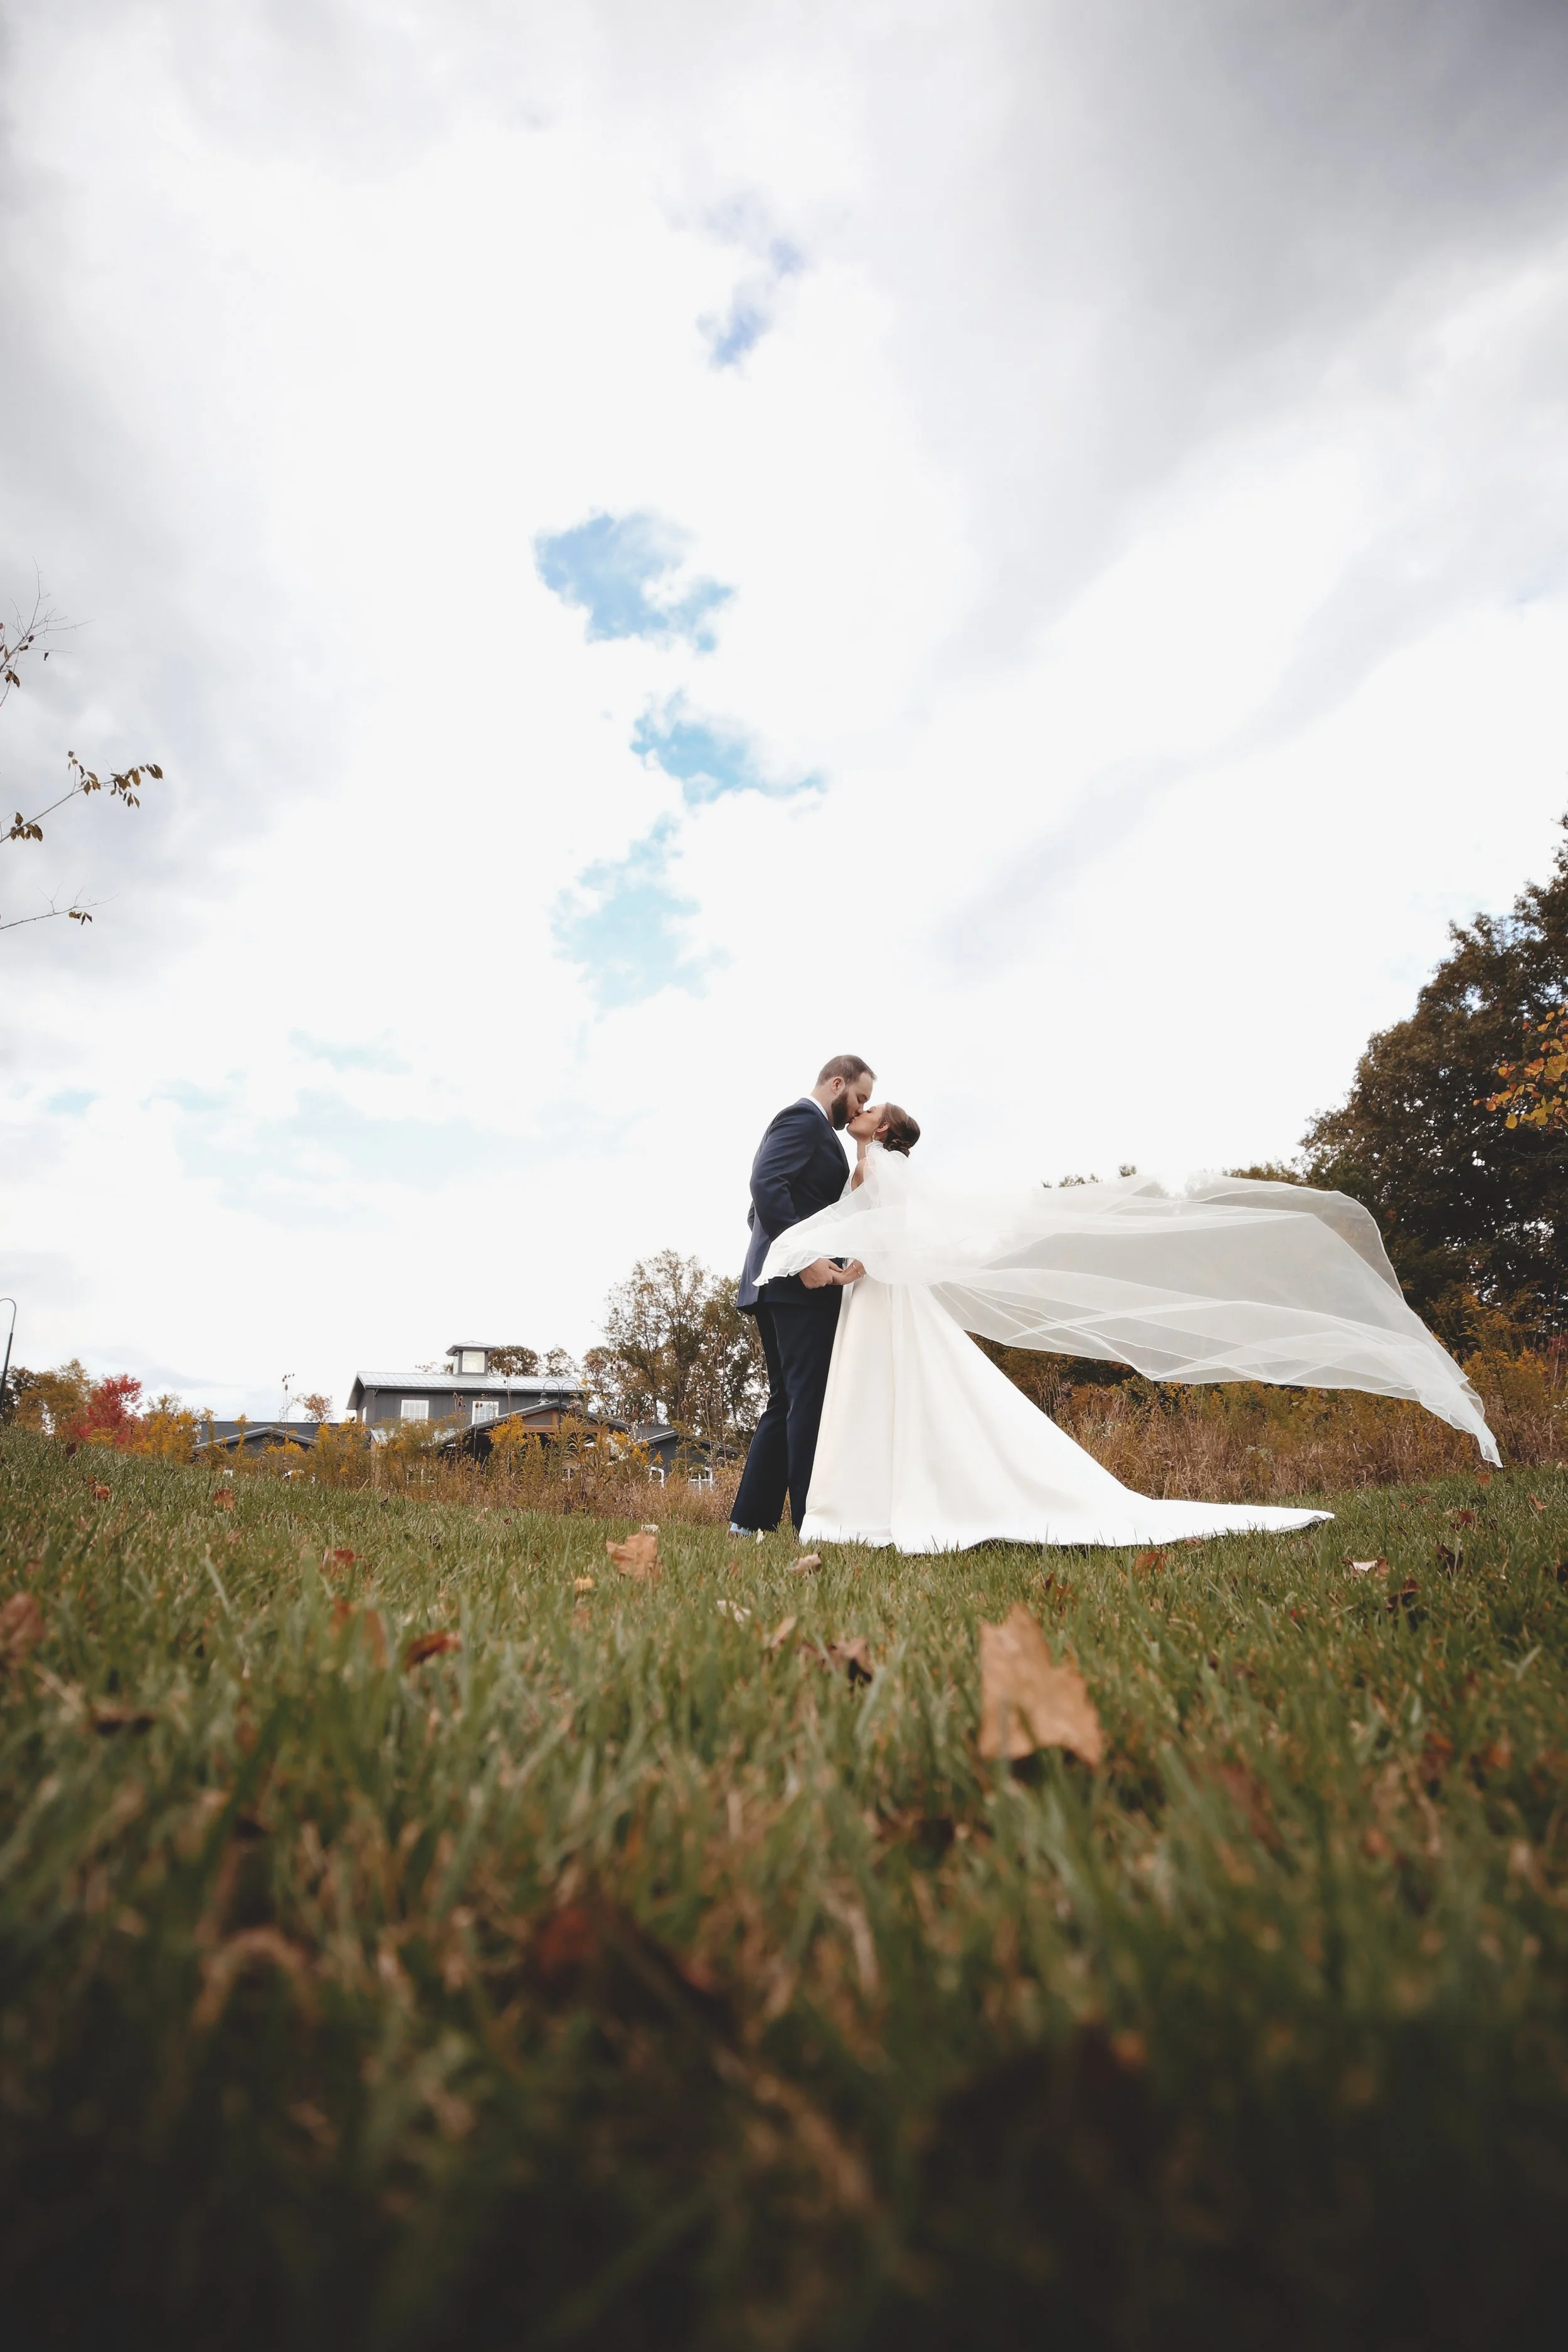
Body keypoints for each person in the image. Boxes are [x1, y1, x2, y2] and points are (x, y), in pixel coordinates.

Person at [756, 1108, 1500, 1554]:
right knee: (884, 1395)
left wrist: (836, 1269)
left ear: (880, 1128)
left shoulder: (883, 1168)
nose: (856, 1114)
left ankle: (886, 1504)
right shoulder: (870, 1165)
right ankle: (861, 1503)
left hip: (884, 1298)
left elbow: (893, 1240)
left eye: (867, 1111)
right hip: (877, 1297)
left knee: (910, 1393)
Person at [729, 1054, 875, 1535]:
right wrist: (805, 1259)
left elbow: (758, 1213)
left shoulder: (815, 1133)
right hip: (796, 1285)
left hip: (777, 1283)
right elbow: (765, 1185)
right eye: (859, 1098)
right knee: (806, 1401)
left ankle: (748, 1522)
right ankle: (812, 1523)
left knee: (785, 1400)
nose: (858, 1110)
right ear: (838, 1083)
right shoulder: (804, 1120)